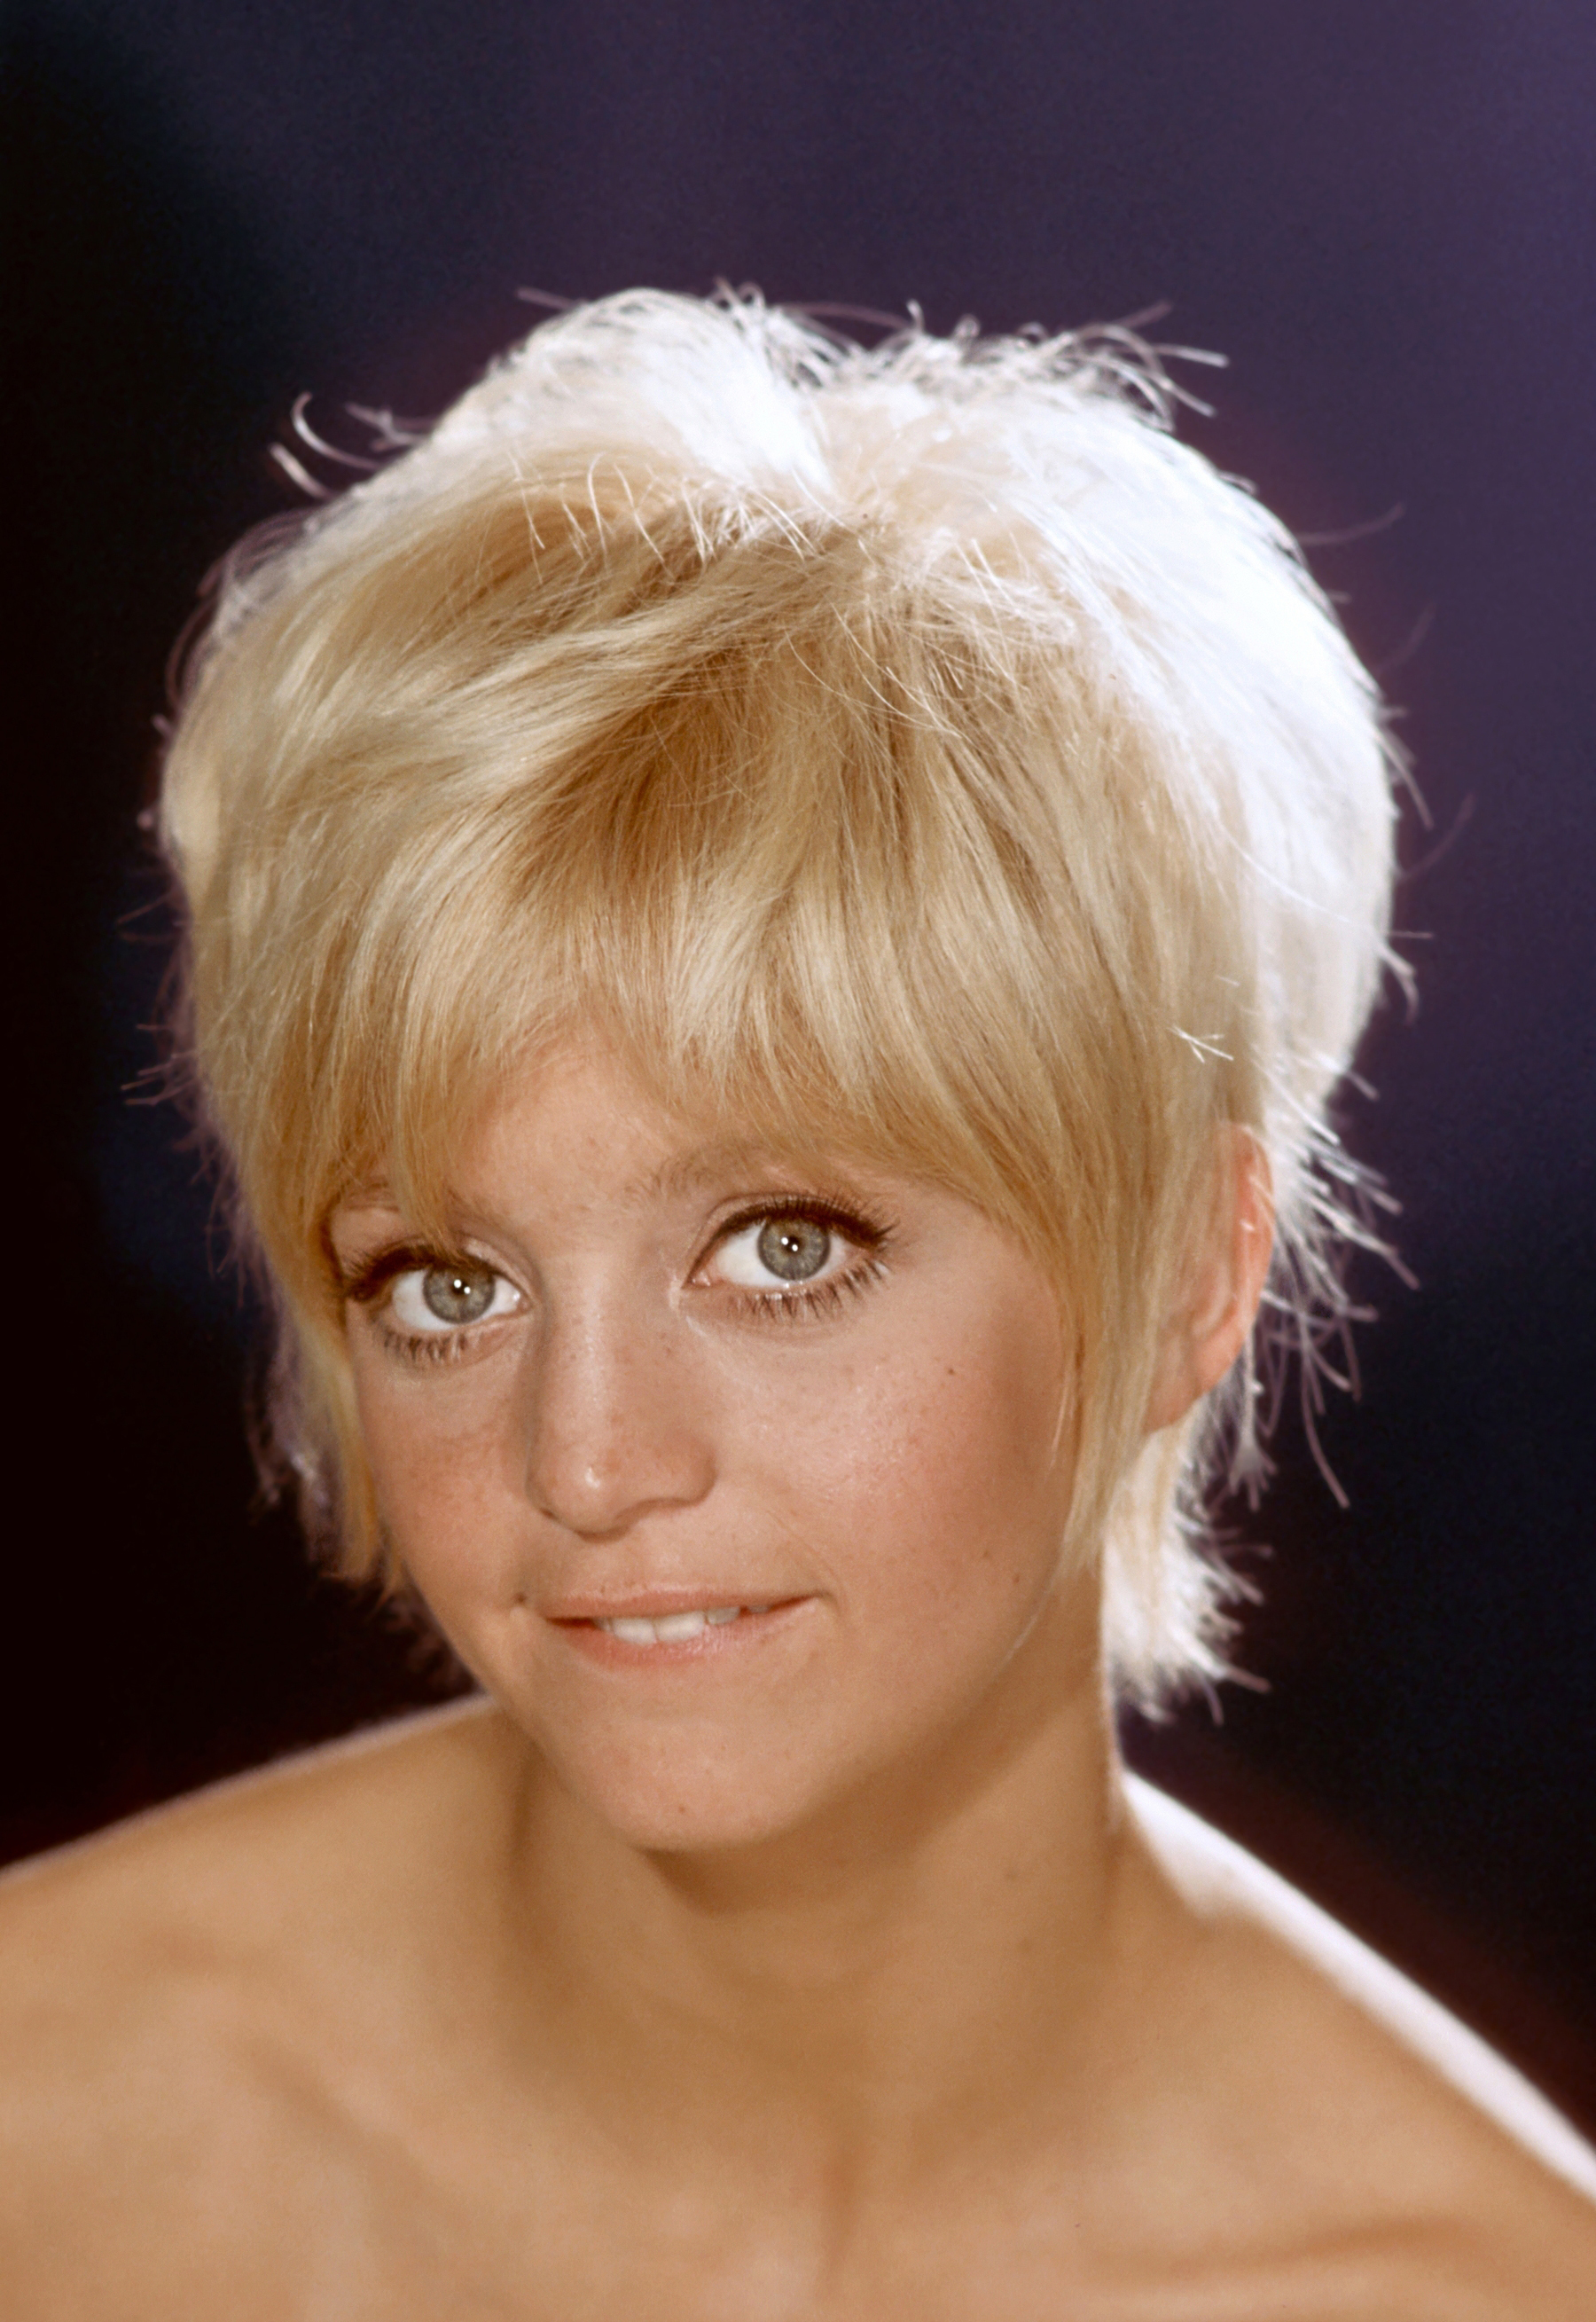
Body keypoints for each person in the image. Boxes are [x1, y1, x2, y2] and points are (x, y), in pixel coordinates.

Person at [2, 289, 1591, 2316]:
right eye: (450, 1282)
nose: (587, 1460)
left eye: (783, 1248)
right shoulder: (48, 2126)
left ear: (1195, 1269)